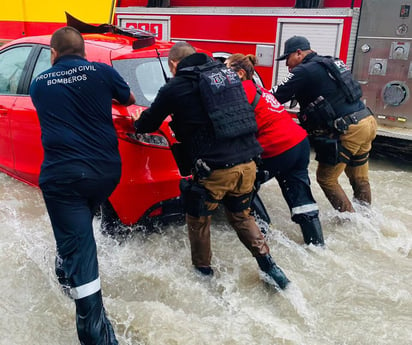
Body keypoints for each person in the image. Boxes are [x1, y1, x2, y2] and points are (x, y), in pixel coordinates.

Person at [133, 41, 290, 289]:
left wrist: (136, 120)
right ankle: (270, 266)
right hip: (249, 163)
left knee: (198, 218)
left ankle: (203, 276)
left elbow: (146, 125)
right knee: (241, 216)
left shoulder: (175, 87)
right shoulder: (227, 76)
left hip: (216, 169)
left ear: (173, 64)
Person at [30, 26, 136, 345]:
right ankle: (65, 268)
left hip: (63, 178)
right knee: (79, 226)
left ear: (53, 53)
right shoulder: (102, 72)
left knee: (79, 243)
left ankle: (94, 331)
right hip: (105, 174)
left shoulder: (39, 85)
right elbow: (128, 98)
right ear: (84, 52)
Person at [225, 53, 324, 246]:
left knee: (242, 186)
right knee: (301, 197)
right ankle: (317, 246)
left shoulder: (239, 91)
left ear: (239, 73)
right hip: (299, 143)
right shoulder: (259, 89)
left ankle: (265, 234)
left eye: (225, 70)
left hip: (278, 147)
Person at [271, 36, 377, 213]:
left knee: (326, 178)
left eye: (287, 59)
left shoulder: (304, 71)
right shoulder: (331, 62)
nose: (287, 65)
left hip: (347, 129)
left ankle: (349, 223)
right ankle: (367, 216)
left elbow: (274, 96)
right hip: (367, 122)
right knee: (359, 176)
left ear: (298, 53)